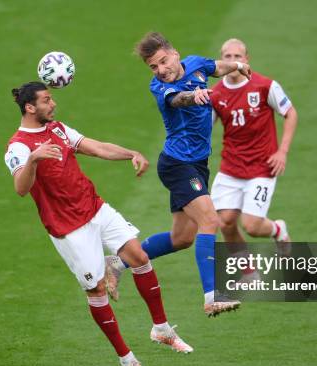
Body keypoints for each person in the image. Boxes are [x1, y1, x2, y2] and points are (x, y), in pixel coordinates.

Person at [4, 81, 193, 366]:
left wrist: (130, 152)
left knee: (139, 257)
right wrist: (34, 159)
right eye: (47, 100)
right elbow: (20, 189)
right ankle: (128, 361)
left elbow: (98, 148)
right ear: (30, 107)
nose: (53, 105)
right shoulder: (18, 146)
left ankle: (161, 329)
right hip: (68, 229)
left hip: (95, 208)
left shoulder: (60, 129)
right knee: (97, 292)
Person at [105, 32, 251, 317]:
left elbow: (216, 68)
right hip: (177, 165)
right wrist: (193, 96)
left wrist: (237, 67)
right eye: (153, 67)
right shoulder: (160, 87)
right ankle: (211, 296)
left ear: (174, 53)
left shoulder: (195, 64)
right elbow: (178, 100)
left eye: (162, 62)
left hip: (197, 165)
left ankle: (117, 263)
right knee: (210, 219)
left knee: (182, 237)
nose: (160, 70)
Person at [210, 38, 297, 280]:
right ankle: (249, 272)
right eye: (227, 57)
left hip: (261, 167)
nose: (232, 61)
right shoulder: (215, 94)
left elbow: (290, 113)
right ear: (221, 61)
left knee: (252, 226)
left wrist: (283, 151)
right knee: (225, 222)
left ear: (246, 60)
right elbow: (204, 130)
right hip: (230, 167)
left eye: (237, 56)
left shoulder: (264, 86)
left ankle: (278, 229)